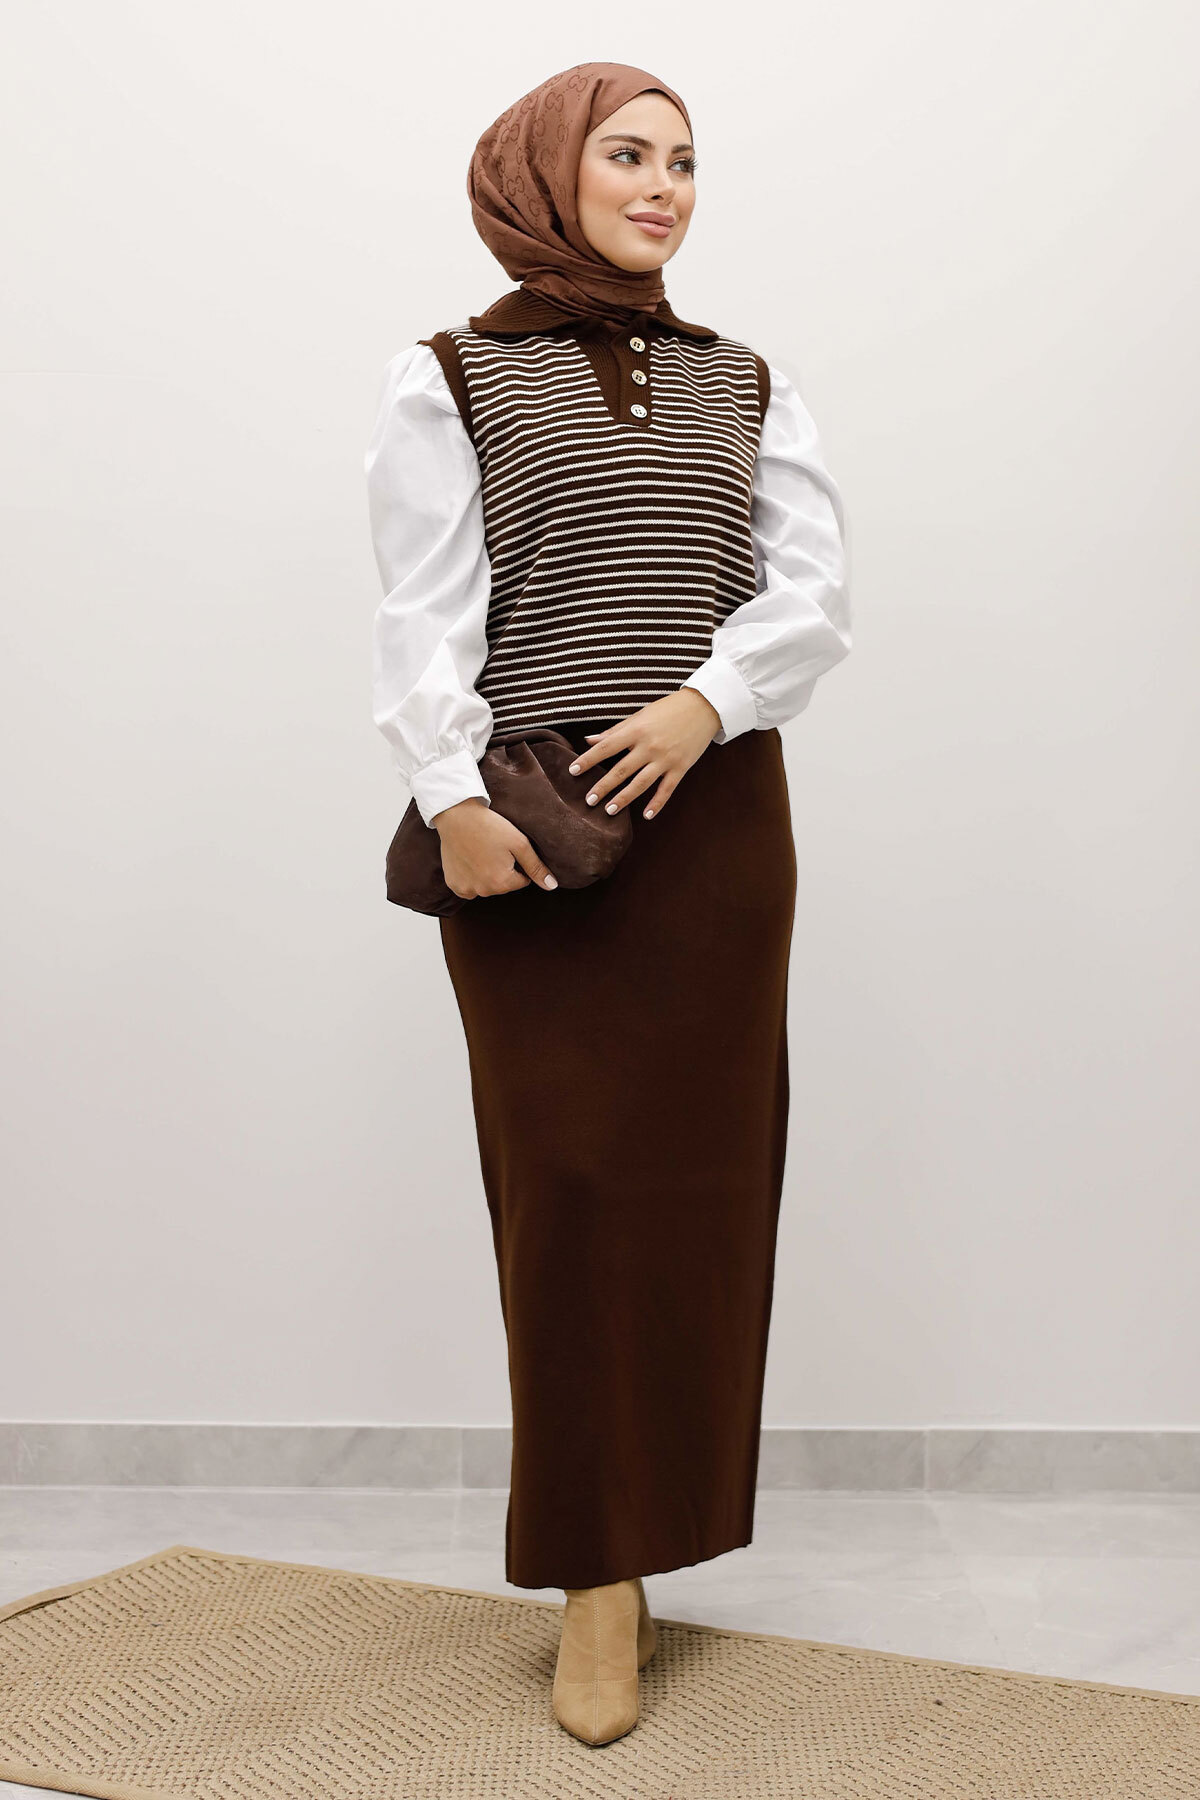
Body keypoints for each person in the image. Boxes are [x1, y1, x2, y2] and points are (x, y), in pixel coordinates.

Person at [365, 61, 852, 1747]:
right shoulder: (451, 376)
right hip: (531, 830)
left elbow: (812, 594)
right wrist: (448, 795)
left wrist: (708, 704)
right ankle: (595, 1578)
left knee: (707, 1190)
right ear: (544, 174)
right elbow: (422, 614)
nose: (663, 186)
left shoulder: (749, 381)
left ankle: (656, 1543)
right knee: (565, 1192)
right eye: (628, 155)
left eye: (685, 161)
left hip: (718, 835)